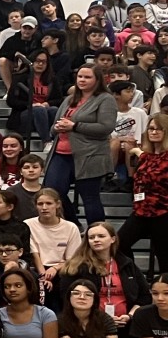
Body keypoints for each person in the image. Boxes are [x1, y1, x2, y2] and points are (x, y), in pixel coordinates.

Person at [45, 64, 116, 223]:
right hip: (61, 152)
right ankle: (74, 226)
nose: (82, 80)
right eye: (80, 77)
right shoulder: (70, 99)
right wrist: (56, 128)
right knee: (53, 192)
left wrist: (75, 126)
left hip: (90, 154)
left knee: (90, 198)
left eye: (87, 77)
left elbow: (106, 128)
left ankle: (97, 233)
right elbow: (54, 125)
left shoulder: (105, 99)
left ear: (98, 80)